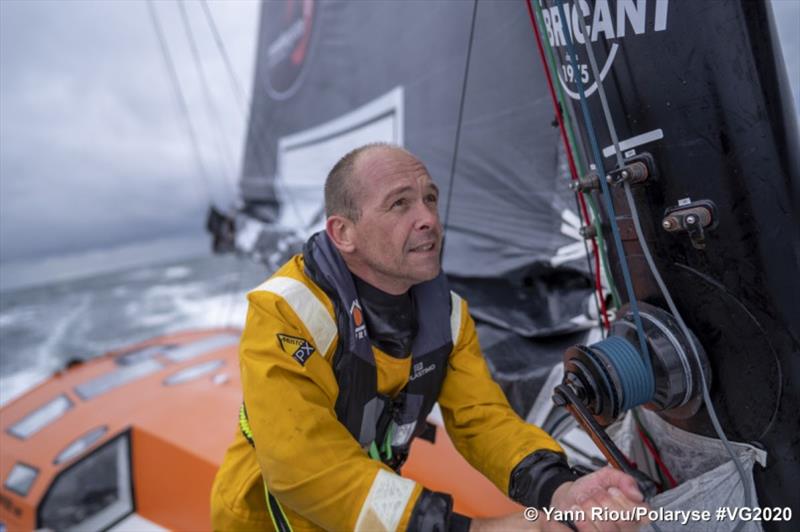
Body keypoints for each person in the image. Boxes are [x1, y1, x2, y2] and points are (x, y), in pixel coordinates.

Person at [211, 143, 648, 531]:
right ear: (343, 233)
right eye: (400, 204)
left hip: (372, 515)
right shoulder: (284, 311)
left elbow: (483, 421)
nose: (428, 220)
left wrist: (562, 490)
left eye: (430, 199)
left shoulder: (449, 318)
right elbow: (302, 465)